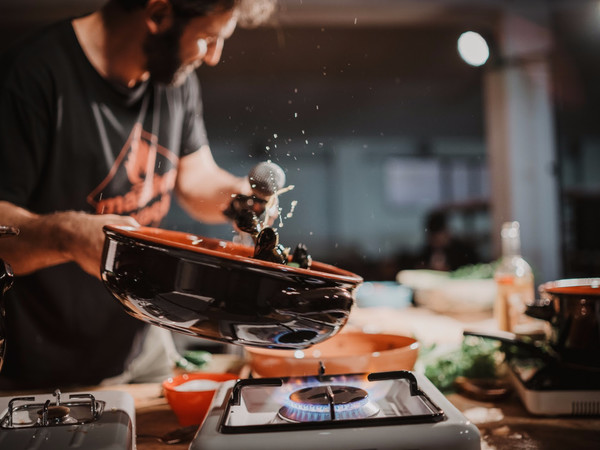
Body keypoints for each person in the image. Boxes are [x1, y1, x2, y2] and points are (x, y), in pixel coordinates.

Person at [0, 0, 276, 389]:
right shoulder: (29, 77)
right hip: (41, 366)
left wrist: (238, 201)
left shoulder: (173, 79)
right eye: (208, 38)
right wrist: (68, 234)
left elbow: (195, 178)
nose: (213, 57)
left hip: (142, 343)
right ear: (159, 14)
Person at [416, 210, 480, 272]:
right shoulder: (426, 253)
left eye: (438, 238)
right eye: (434, 239)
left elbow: (472, 270)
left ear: (447, 232)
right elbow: (419, 269)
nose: (437, 242)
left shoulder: (463, 252)